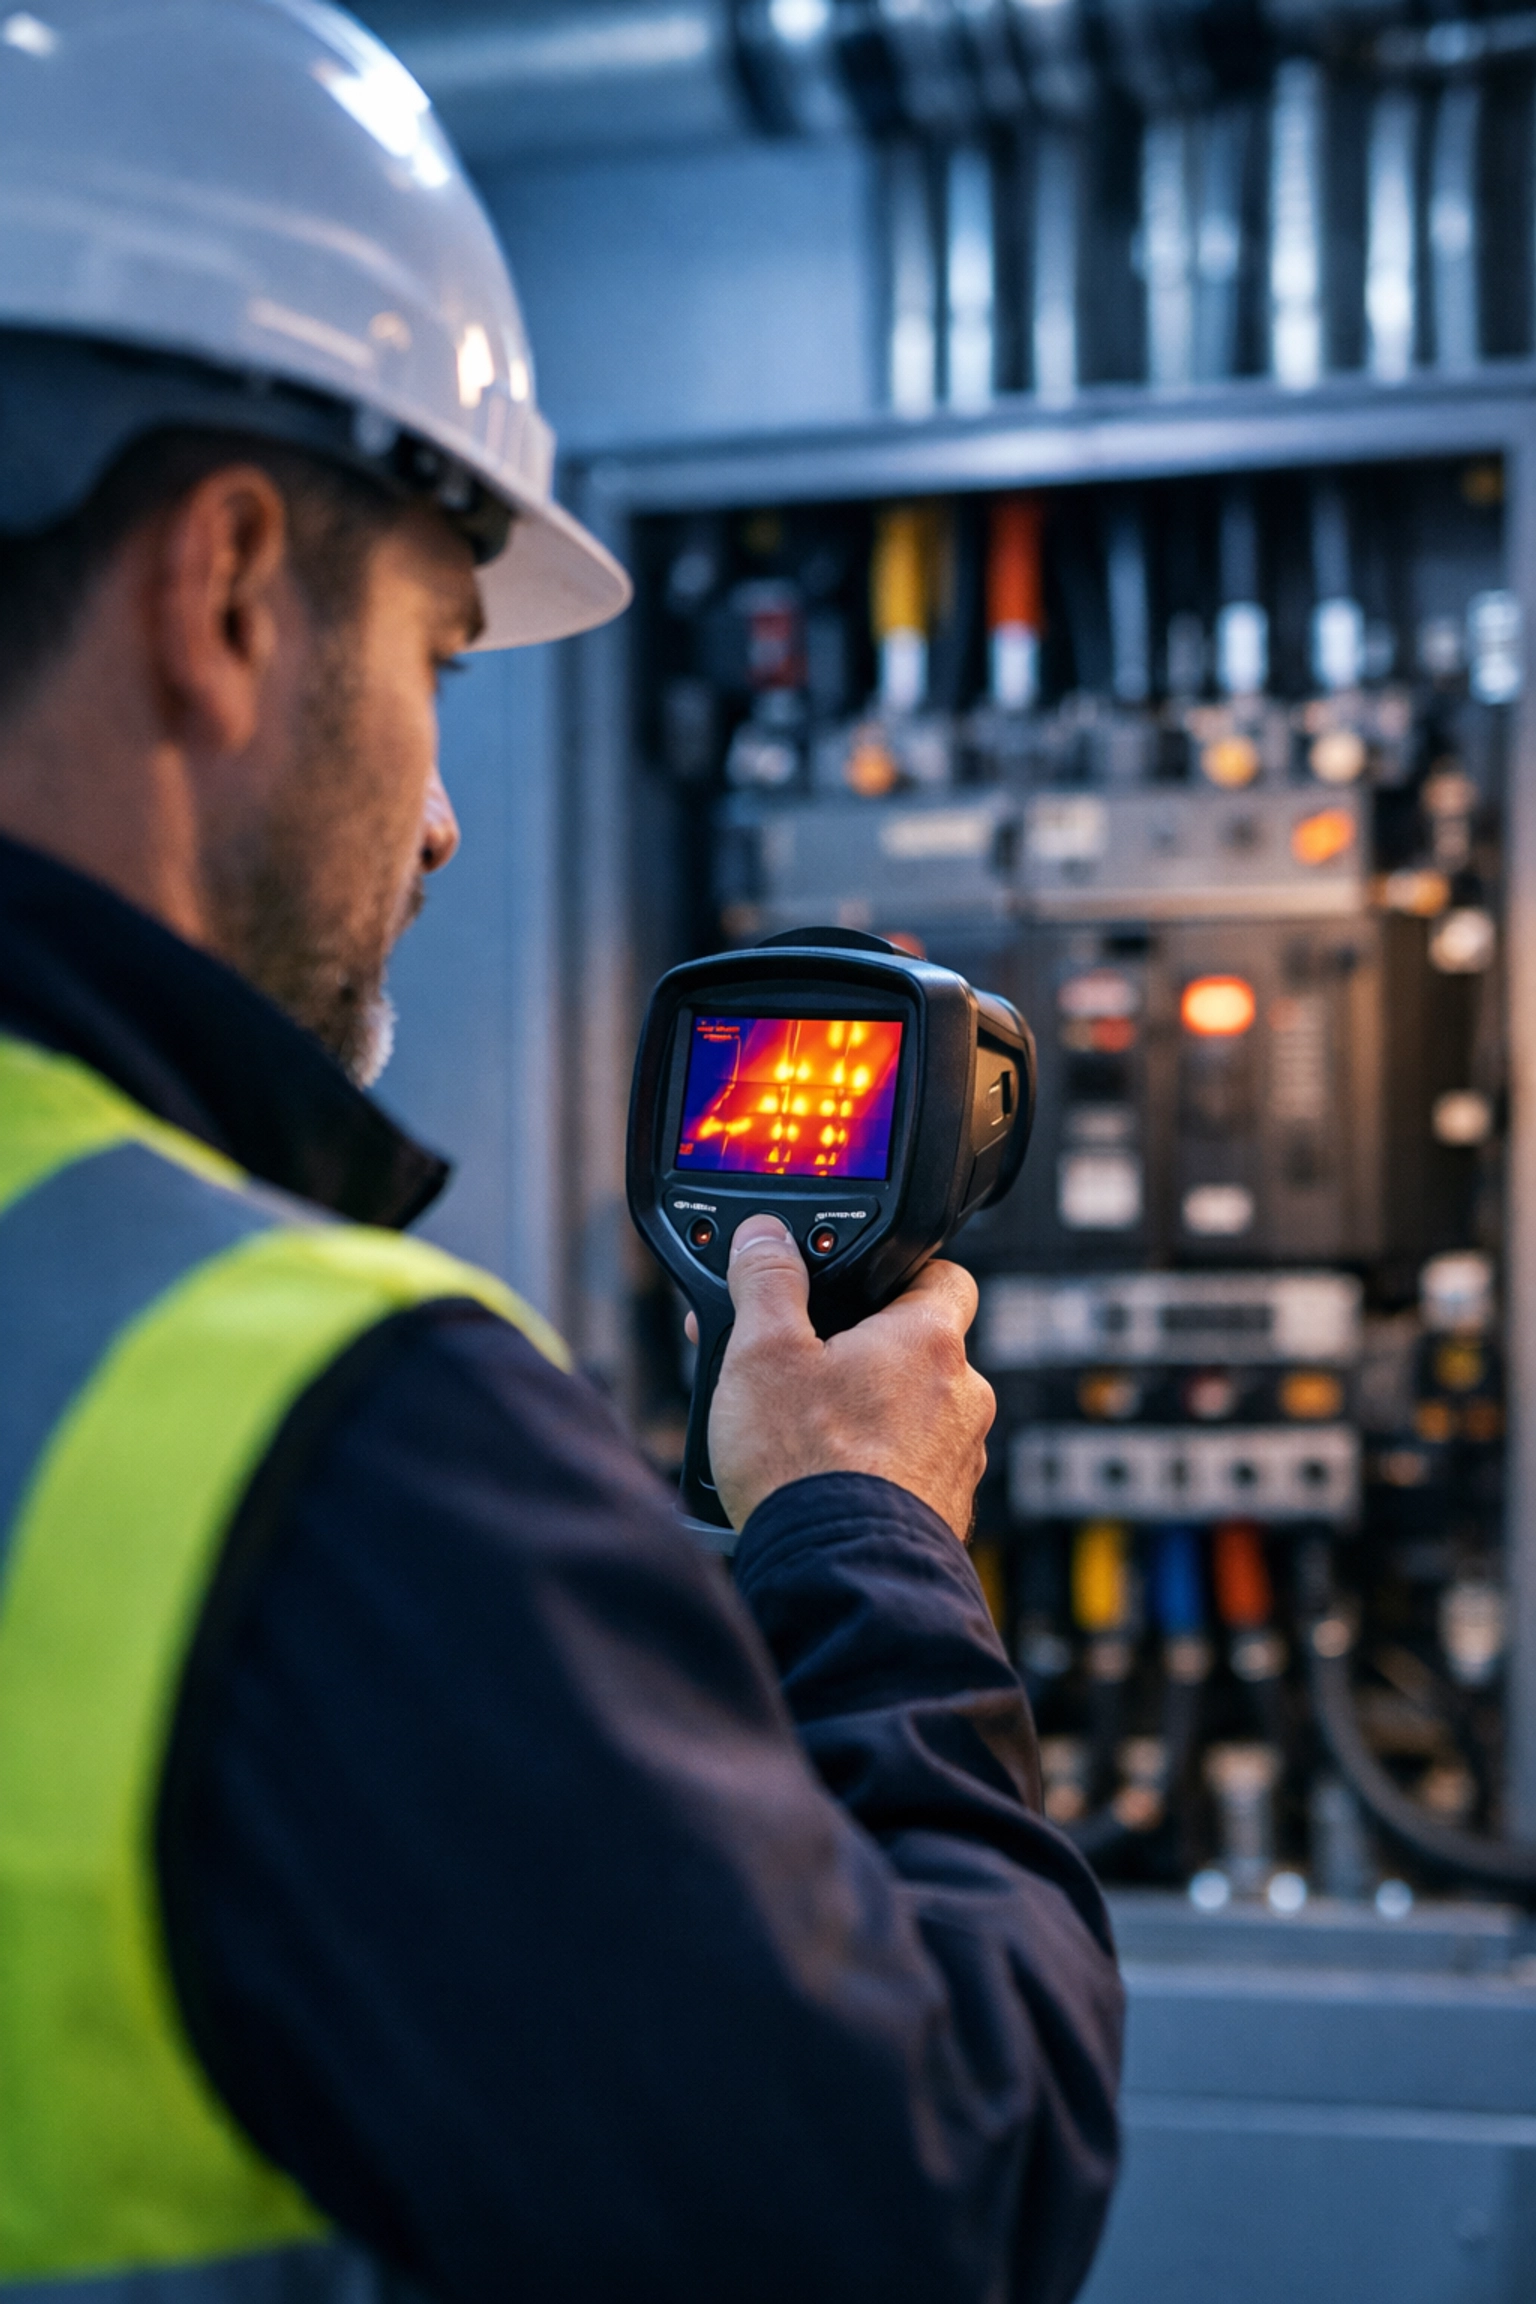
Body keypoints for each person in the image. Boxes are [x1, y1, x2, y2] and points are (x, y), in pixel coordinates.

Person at [0, 5, 1123, 2303]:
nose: (433, 820)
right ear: (225, 590)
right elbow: (925, 2190)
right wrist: (863, 1529)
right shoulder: (320, 1430)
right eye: (438, 654)